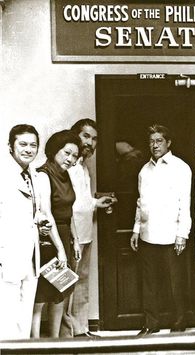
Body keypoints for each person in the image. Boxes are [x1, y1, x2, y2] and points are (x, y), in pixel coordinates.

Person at [130, 124, 192, 336]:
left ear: (168, 143)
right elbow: (141, 202)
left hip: (171, 235)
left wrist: (182, 234)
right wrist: (136, 229)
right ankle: (151, 323)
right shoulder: (144, 170)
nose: (154, 145)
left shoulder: (181, 168)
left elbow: (185, 203)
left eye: (159, 141)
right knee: (149, 283)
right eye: (151, 141)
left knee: (176, 281)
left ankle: (179, 320)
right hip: (148, 235)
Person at [60, 118, 116, 338]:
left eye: (94, 139)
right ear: (75, 135)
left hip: (85, 234)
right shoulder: (66, 164)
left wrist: (96, 203)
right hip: (70, 236)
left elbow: (80, 200)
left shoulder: (83, 167)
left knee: (81, 283)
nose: (90, 142)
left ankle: (81, 331)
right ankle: (66, 334)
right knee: (65, 285)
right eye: (86, 136)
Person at [0, 124, 50, 340]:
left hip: (30, 256)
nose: (28, 149)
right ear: (10, 146)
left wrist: (40, 222)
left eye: (33, 145)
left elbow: (29, 212)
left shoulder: (32, 175)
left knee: (24, 318)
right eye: (23, 144)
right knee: (6, 318)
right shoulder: (3, 175)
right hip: (7, 256)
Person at [31, 130, 80, 338]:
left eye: (75, 156)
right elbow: (47, 213)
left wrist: (75, 241)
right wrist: (60, 249)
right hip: (48, 239)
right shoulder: (43, 174)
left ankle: (55, 342)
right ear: (54, 150)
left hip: (64, 235)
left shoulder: (65, 174)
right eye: (67, 153)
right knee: (41, 298)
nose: (70, 159)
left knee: (60, 293)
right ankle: (34, 347)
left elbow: (68, 213)